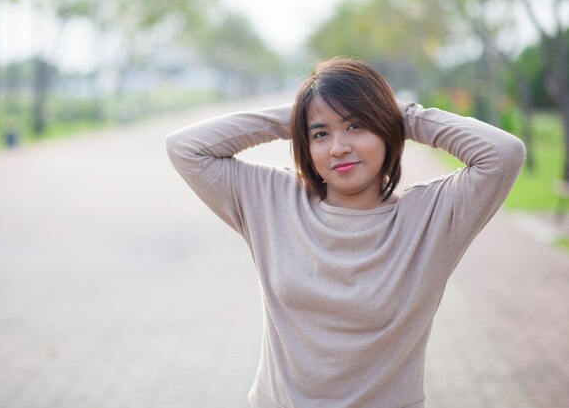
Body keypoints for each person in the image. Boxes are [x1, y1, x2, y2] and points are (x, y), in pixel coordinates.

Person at [165, 58, 526, 408]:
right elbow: (186, 148)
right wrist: (299, 115)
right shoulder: (272, 199)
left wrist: (402, 114)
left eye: (356, 126)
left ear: (386, 129)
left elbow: (504, 154)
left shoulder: (429, 217)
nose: (338, 147)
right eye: (320, 135)